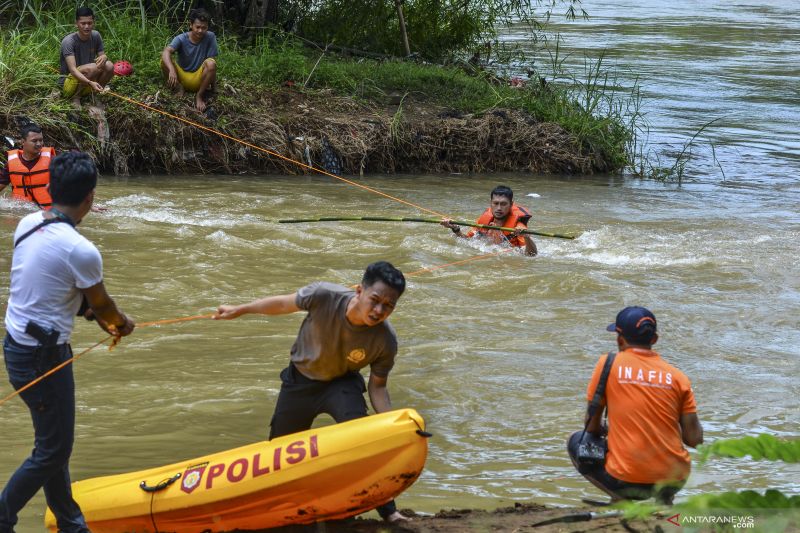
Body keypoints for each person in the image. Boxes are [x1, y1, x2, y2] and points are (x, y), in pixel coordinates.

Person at [0, 151, 135, 533]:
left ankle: (72, 524)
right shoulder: (82, 250)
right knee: (53, 449)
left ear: (48, 187)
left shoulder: (26, 223)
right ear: (90, 198)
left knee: (52, 442)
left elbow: (50, 288)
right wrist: (121, 325)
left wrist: (93, 313)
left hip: (16, 348)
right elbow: (103, 307)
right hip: (43, 357)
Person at [214, 261, 410, 523]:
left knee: (363, 441)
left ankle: (389, 511)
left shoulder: (386, 340)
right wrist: (242, 309)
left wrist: (391, 425)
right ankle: (274, 509)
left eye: (388, 305)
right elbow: (283, 304)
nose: (378, 310)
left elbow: (378, 386)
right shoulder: (324, 296)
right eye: (375, 300)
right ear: (359, 291)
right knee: (278, 454)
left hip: (341, 384)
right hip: (300, 382)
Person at [567, 306, 703, 504]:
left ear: (619, 339)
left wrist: (608, 430)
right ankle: (664, 502)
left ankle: (620, 499)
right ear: (654, 339)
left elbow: (592, 426)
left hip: (626, 480)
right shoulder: (678, 377)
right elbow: (694, 439)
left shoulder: (608, 364)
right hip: (676, 479)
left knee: (577, 440)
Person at [441, 185, 537, 256]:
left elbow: (531, 255)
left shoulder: (519, 228)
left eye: (503, 204)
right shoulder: (484, 221)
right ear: (490, 203)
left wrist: (527, 238)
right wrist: (455, 229)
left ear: (511, 204)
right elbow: (468, 240)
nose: (499, 208)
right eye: (496, 203)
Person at [160, 8, 219, 112]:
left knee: (211, 63)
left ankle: (199, 96)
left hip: (199, 79)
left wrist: (214, 88)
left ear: (207, 27)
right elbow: (166, 52)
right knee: (164, 60)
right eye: (197, 27)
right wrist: (172, 70)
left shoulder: (210, 37)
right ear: (191, 25)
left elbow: (212, 64)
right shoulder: (181, 38)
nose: (200, 30)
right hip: (180, 77)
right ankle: (179, 88)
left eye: (204, 28)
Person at [59, 6, 114, 109]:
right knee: (92, 67)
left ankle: (95, 95)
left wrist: (104, 57)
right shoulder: (69, 41)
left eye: (89, 23)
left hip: (90, 79)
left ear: (93, 22)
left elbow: (101, 58)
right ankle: (76, 98)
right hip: (69, 82)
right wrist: (90, 82)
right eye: (83, 23)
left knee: (109, 65)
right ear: (76, 24)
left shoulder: (96, 35)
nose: (86, 26)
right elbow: (73, 70)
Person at [0, 123, 55, 209]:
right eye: (34, 141)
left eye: (41, 140)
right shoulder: (11, 165)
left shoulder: (52, 161)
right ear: (22, 142)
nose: (39, 144)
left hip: (47, 213)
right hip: (20, 214)